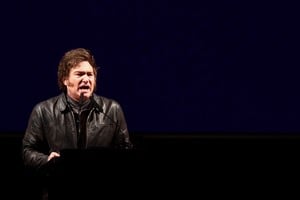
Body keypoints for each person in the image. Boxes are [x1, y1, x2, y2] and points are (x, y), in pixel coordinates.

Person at [22, 48, 133, 198]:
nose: (86, 79)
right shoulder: (43, 110)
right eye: (80, 74)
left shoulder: (112, 110)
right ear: (65, 79)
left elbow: (126, 154)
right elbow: (28, 151)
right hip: (59, 191)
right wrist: (47, 160)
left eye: (90, 74)